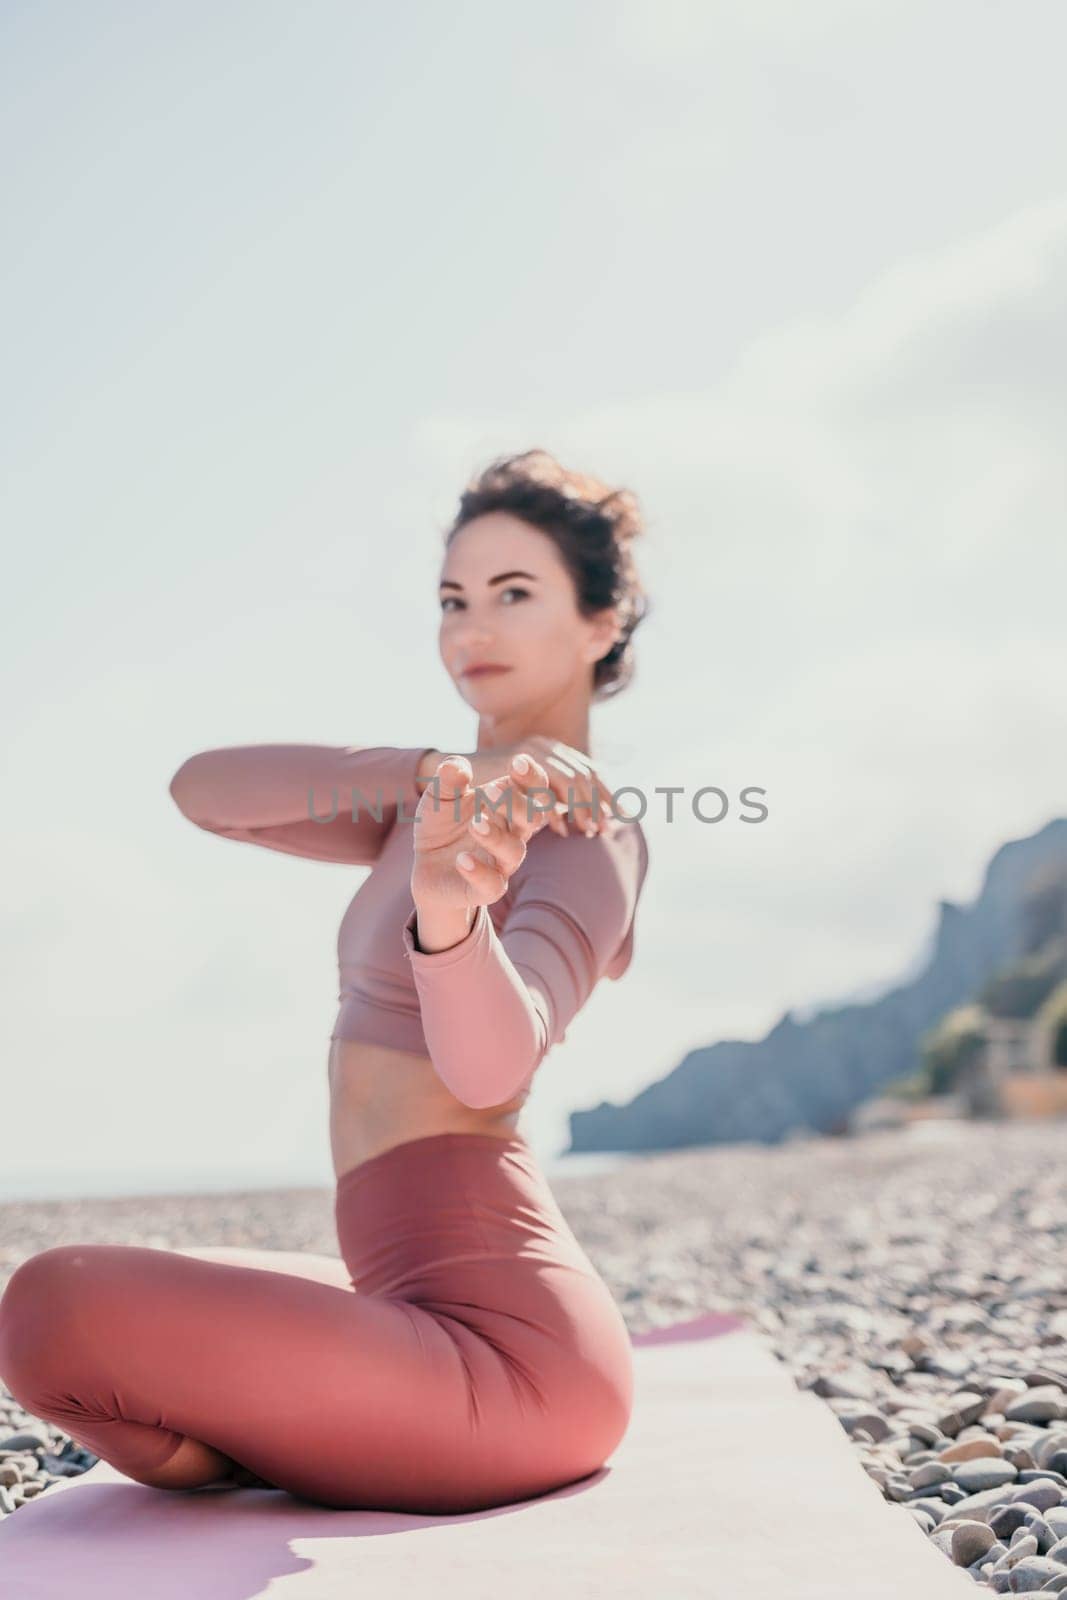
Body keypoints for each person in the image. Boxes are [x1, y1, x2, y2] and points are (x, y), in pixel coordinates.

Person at [0, 448, 652, 1514]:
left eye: (513, 593)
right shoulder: (429, 800)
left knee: (54, 1308)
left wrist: (446, 917)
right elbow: (203, 790)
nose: (471, 627)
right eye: (452, 598)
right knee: (71, 1308)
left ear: (599, 624)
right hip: (399, 1292)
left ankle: (292, 1440)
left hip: (513, 1361)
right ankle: (298, 1439)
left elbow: (493, 1069)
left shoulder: (586, 830)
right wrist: (430, 774)